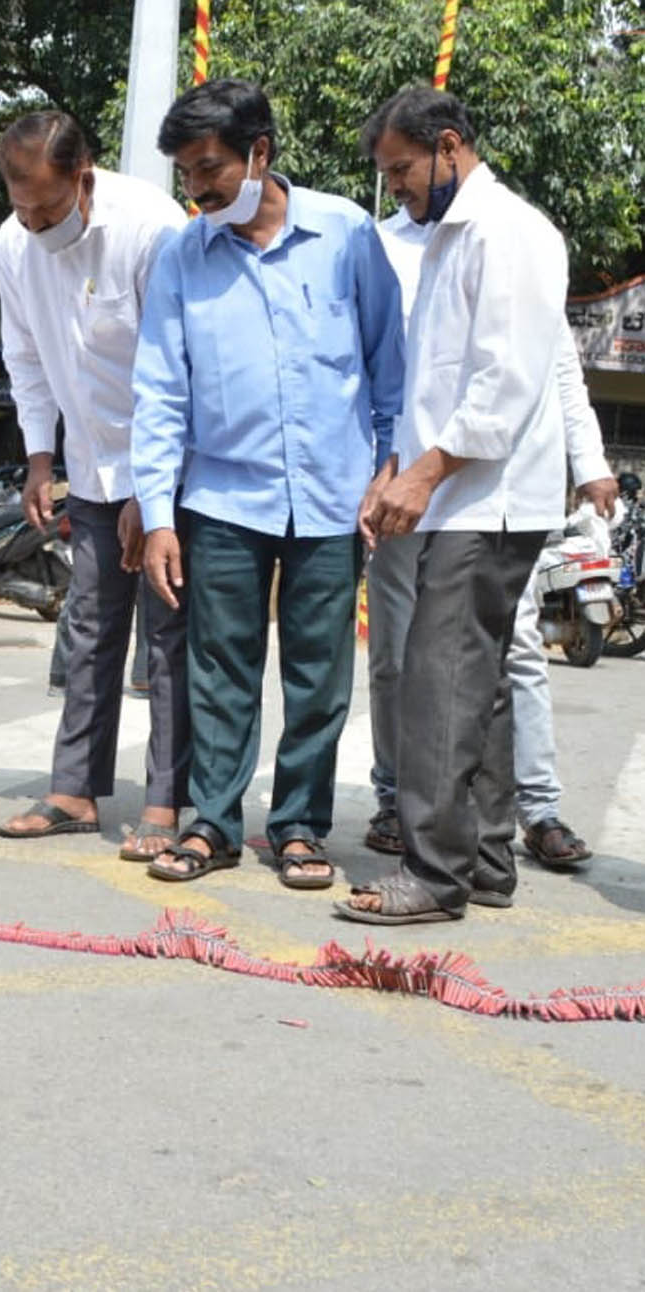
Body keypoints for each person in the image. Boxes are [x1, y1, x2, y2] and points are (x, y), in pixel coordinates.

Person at [132, 79, 404, 888]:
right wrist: (157, 515)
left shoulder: (347, 232)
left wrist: (389, 465)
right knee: (220, 669)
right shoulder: (183, 254)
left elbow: (390, 362)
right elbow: (159, 392)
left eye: (209, 168)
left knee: (319, 674)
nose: (198, 187)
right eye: (186, 173)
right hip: (220, 500)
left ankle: (299, 826)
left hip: (330, 496)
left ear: (261, 154)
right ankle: (213, 822)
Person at [342, 87, 574, 923]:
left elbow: (504, 384)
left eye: (402, 169)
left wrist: (426, 473)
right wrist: (394, 469)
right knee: (479, 682)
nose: (395, 187)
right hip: (458, 491)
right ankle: (484, 860)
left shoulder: (509, 233)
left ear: (448, 146)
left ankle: (434, 875)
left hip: (492, 496)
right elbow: (435, 379)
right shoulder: (447, 237)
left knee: (439, 682)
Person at [364, 215, 616, 870]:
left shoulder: (510, 243)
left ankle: (536, 809)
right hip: (402, 481)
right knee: (399, 652)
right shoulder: (385, 245)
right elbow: (375, 366)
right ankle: (396, 797)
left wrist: (589, 460)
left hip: (490, 488)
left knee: (514, 648)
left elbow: (559, 364)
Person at [0, 110, 190, 857]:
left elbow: (175, 364)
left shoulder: (150, 227)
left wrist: (154, 488)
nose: (35, 223)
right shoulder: (15, 243)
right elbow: (26, 355)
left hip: (169, 464)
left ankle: (168, 802)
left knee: (168, 636)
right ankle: (73, 790)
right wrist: (42, 458)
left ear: (85, 175)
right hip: (93, 464)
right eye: (21, 206)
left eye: (48, 205)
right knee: (89, 627)